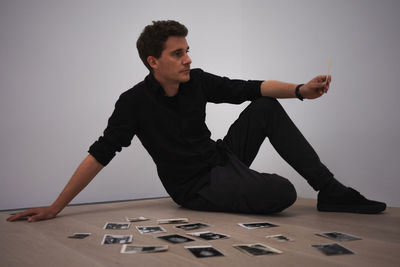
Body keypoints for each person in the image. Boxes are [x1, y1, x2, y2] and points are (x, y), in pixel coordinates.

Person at [7, 20, 386, 223]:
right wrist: (56, 206)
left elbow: (249, 87)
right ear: (154, 62)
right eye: (177, 53)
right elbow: (101, 152)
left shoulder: (197, 81)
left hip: (220, 157)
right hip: (194, 187)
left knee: (264, 105)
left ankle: (332, 191)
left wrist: (302, 89)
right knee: (283, 193)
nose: (187, 59)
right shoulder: (133, 103)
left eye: (187, 50)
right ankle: (266, 186)